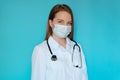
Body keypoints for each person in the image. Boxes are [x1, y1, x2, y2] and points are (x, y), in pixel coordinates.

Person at [31, 4, 88, 80]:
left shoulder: (77, 48)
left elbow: (84, 77)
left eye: (69, 23)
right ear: (51, 23)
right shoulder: (41, 50)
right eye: (60, 22)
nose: (65, 26)